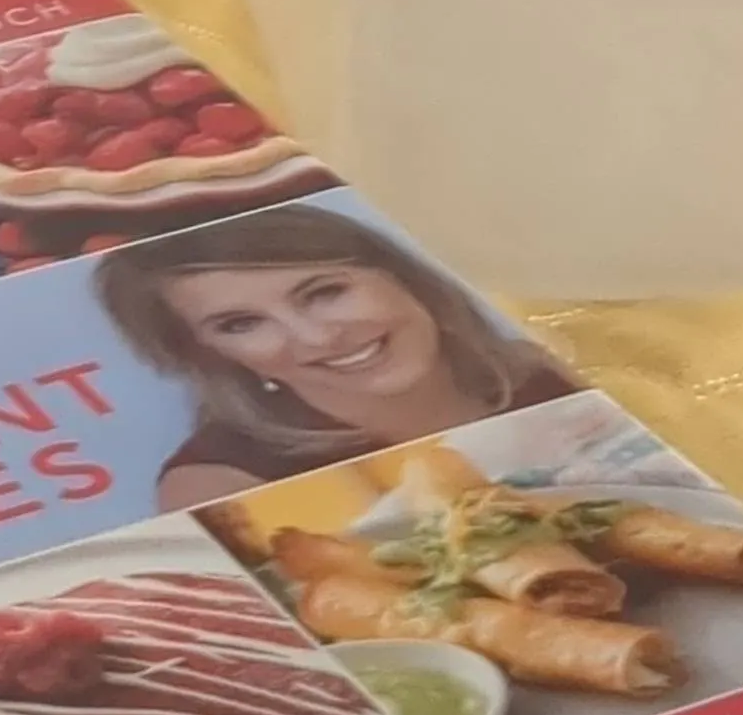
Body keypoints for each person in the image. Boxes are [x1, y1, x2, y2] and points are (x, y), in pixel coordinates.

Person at [92, 203, 577, 510]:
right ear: (209, 354)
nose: (317, 337)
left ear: (401, 277)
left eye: (324, 293)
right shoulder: (219, 486)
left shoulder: (554, 365)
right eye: (241, 324)